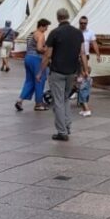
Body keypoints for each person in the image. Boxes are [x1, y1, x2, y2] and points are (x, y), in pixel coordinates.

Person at [39, 8, 87, 141]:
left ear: (57, 17)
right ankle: (67, 126)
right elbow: (82, 53)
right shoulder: (78, 33)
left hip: (57, 71)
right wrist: (86, 70)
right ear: (68, 17)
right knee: (65, 99)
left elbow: (48, 55)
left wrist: (40, 72)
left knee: (58, 101)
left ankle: (62, 132)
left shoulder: (54, 33)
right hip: (72, 72)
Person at [16, 19, 50, 112]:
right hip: (36, 59)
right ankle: (39, 104)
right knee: (40, 80)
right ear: (42, 26)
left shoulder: (31, 34)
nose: (46, 29)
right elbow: (39, 48)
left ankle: (20, 100)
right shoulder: (40, 34)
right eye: (46, 27)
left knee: (29, 81)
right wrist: (46, 50)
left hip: (28, 58)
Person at [77, 16, 101, 117]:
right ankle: (83, 105)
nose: (83, 25)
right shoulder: (76, 32)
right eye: (81, 23)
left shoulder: (90, 32)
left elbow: (94, 43)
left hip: (84, 56)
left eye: (85, 23)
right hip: (75, 56)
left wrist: (98, 54)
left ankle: (85, 106)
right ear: (79, 23)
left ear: (87, 23)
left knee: (82, 79)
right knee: (80, 80)